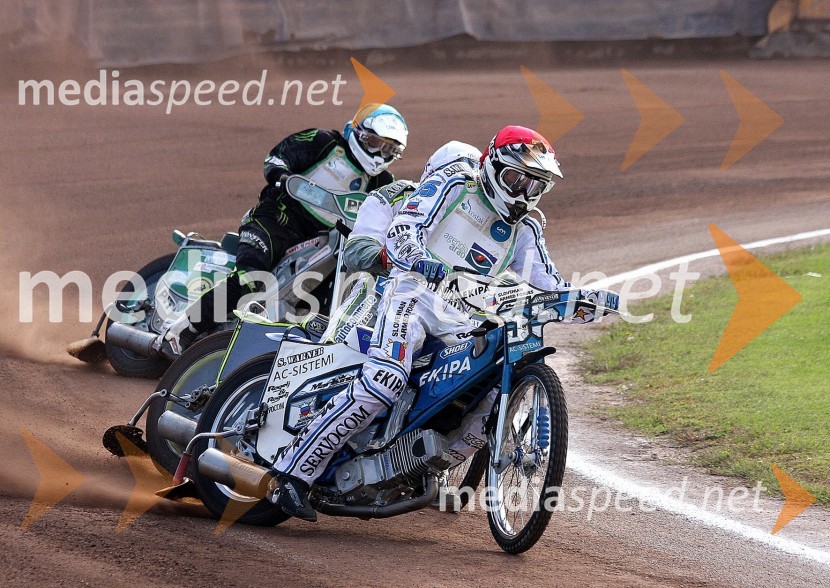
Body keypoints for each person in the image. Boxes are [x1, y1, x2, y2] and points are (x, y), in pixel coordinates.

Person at [270, 126, 619, 522]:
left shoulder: (527, 230)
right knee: (384, 379)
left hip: (463, 315)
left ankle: (411, 467)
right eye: (516, 180)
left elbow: (550, 284)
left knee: (485, 392)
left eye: (535, 186)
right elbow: (404, 229)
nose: (523, 193)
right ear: (492, 166)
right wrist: (419, 260)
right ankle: (292, 473)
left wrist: (588, 303)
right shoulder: (455, 185)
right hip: (413, 295)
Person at [159, 103, 409, 353]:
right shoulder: (323, 142)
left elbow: (389, 216)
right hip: (276, 220)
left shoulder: (383, 183)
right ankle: (181, 330)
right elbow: (277, 157)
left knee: (335, 292)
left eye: (390, 149)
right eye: (376, 143)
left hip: (326, 241)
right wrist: (281, 175)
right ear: (359, 133)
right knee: (250, 279)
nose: (381, 154)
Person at [322, 141, 482, 346]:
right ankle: (332, 350)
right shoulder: (398, 194)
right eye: (456, 174)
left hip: (448, 311)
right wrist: (400, 260)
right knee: (374, 287)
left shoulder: (487, 221)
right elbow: (355, 250)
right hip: (388, 291)